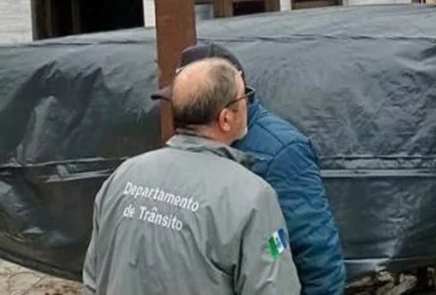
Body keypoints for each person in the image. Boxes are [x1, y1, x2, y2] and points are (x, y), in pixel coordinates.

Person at [83, 57, 301, 294]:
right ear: (225, 118)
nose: (249, 103)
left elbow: (94, 278)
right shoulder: (252, 197)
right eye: (244, 96)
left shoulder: (123, 176)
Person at [152, 43, 345, 295]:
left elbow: (316, 251)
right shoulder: (199, 146)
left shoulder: (281, 151)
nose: (185, 117)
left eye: (193, 106)